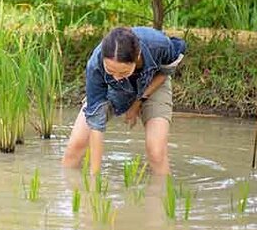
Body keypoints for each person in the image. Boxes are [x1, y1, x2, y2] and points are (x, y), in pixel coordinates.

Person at [62, 26, 186, 176]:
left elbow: (166, 70)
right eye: (111, 71)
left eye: (124, 72)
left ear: (138, 56)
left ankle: (161, 196)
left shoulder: (158, 44)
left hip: (153, 84)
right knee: (76, 145)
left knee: (156, 152)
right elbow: (96, 124)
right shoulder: (95, 65)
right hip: (111, 89)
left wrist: (138, 102)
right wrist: (95, 180)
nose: (117, 77)